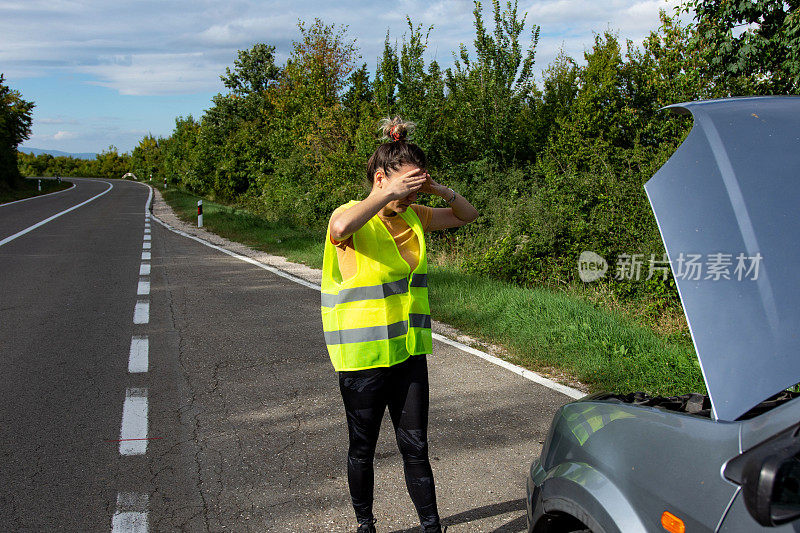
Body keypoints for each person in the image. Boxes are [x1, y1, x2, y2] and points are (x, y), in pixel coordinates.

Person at [321, 117, 479, 533]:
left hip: (408, 353)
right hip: (363, 358)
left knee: (416, 447)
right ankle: (365, 525)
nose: (408, 197)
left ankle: (431, 526)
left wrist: (437, 190)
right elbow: (340, 229)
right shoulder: (351, 216)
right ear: (380, 179)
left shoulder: (416, 215)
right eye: (403, 188)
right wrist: (386, 193)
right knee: (363, 448)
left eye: (415, 187)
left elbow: (467, 215)